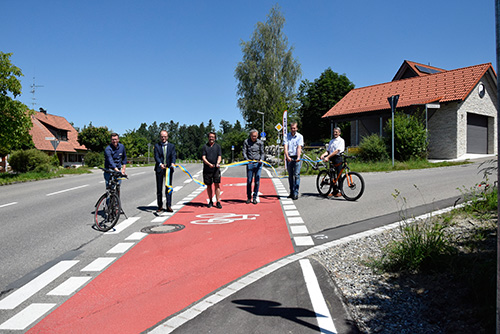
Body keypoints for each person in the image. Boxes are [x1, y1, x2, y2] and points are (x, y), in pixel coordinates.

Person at [154, 130, 177, 212]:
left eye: (165, 136)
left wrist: (173, 163)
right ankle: (160, 206)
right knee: (159, 188)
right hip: (160, 168)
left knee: (168, 187)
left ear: (167, 137)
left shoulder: (171, 146)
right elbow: (156, 156)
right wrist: (160, 164)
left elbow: (173, 155)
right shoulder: (157, 146)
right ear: (160, 137)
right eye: (162, 136)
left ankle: (169, 205)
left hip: (168, 169)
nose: (163, 138)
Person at [321, 126, 345, 197]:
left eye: (336, 132)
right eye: (334, 132)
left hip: (337, 158)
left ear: (339, 133)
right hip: (331, 159)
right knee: (332, 176)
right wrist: (323, 155)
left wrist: (328, 157)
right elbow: (328, 151)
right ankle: (334, 191)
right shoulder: (331, 141)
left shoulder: (341, 141)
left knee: (339, 175)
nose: (335, 133)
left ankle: (340, 191)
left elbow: (337, 151)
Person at [243, 129, 265, 204]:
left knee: (257, 181)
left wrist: (261, 160)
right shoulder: (246, 142)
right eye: (253, 136)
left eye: (255, 136)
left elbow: (262, 153)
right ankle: (249, 197)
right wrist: (247, 160)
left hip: (258, 164)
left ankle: (255, 197)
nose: (254, 137)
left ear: (257, 136)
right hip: (250, 163)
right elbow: (244, 152)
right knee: (249, 181)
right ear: (250, 135)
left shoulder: (260, 143)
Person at [202, 132, 222, 209]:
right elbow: (203, 157)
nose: (211, 138)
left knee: (217, 184)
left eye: (213, 137)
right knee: (209, 185)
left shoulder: (218, 147)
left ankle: (218, 201)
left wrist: (218, 163)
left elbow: (219, 156)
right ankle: (210, 201)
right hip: (207, 169)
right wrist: (209, 164)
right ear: (208, 138)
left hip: (216, 169)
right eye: (210, 137)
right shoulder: (205, 147)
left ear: (215, 138)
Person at [284, 122, 304, 200]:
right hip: (289, 157)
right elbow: (285, 147)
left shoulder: (300, 136)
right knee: (290, 176)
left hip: (296, 157)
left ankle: (296, 192)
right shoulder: (286, 136)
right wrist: (287, 156)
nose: (293, 129)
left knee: (296, 175)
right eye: (292, 128)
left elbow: (299, 147)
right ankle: (291, 192)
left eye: (294, 128)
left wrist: (298, 157)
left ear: (297, 128)